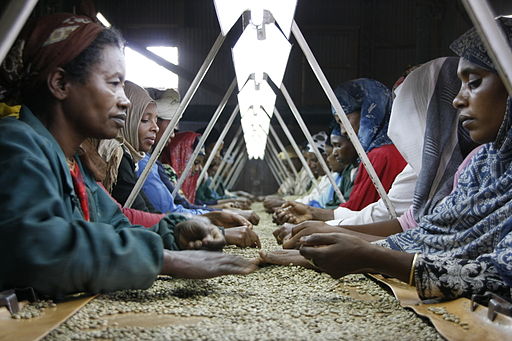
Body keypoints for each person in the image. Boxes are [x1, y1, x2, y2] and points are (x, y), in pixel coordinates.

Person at [0, 14, 256, 298]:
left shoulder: (74, 167)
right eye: (113, 83)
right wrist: (165, 259)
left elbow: (115, 226)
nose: (124, 100)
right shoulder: (16, 145)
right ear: (60, 83)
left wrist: (175, 234)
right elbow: (37, 248)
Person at [267, 18, 512, 301]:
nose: (458, 100)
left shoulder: (385, 157)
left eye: (474, 82)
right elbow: (429, 238)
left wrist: (369, 254)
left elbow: (498, 276)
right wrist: (338, 245)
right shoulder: (484, 164)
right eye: (458, 86)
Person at [274, 78, 407, 224]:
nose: (344, 131)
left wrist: (316, 221)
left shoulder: (380, 156)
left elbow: (358, 214)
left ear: (368, 111)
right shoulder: (395, 151)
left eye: (344, 119)